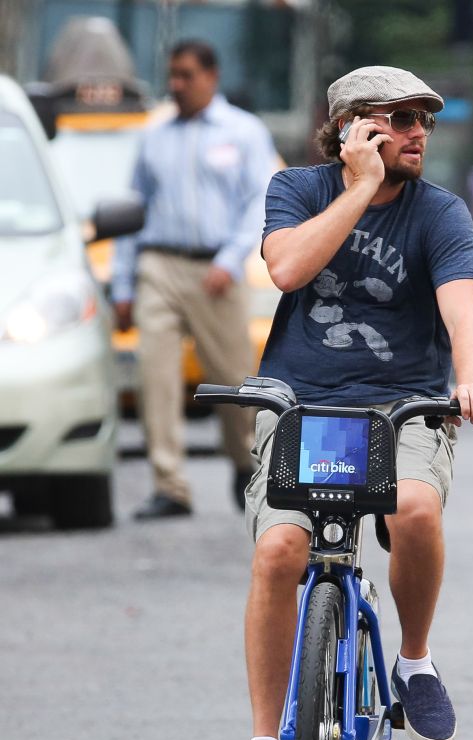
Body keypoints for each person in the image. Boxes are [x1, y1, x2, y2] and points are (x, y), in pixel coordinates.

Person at [229, 66, 473, 740]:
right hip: (300, 406)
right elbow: (285, 268)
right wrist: (355, 187)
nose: (419, 134)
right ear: (352, 127)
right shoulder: (299, 191)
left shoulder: (439, 214)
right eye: (402, 118)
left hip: (401, 406)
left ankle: (413, 661)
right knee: (281, 548)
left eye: (425, 122)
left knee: (412, 509)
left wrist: (471, 380)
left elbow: (464, 320)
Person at [112, 40, 277, 519]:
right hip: (158, 265)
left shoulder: (243, 132)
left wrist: (230, 259)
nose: (176, 85)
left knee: (232, 381)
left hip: (216, 270)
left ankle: (242, 461)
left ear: (211, 76)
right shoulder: (155, 134)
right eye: (172, 75)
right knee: (154, 376)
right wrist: (123, 283)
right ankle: (171, 484)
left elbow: (259, 201)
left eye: (186, 75)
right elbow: (132, 210)